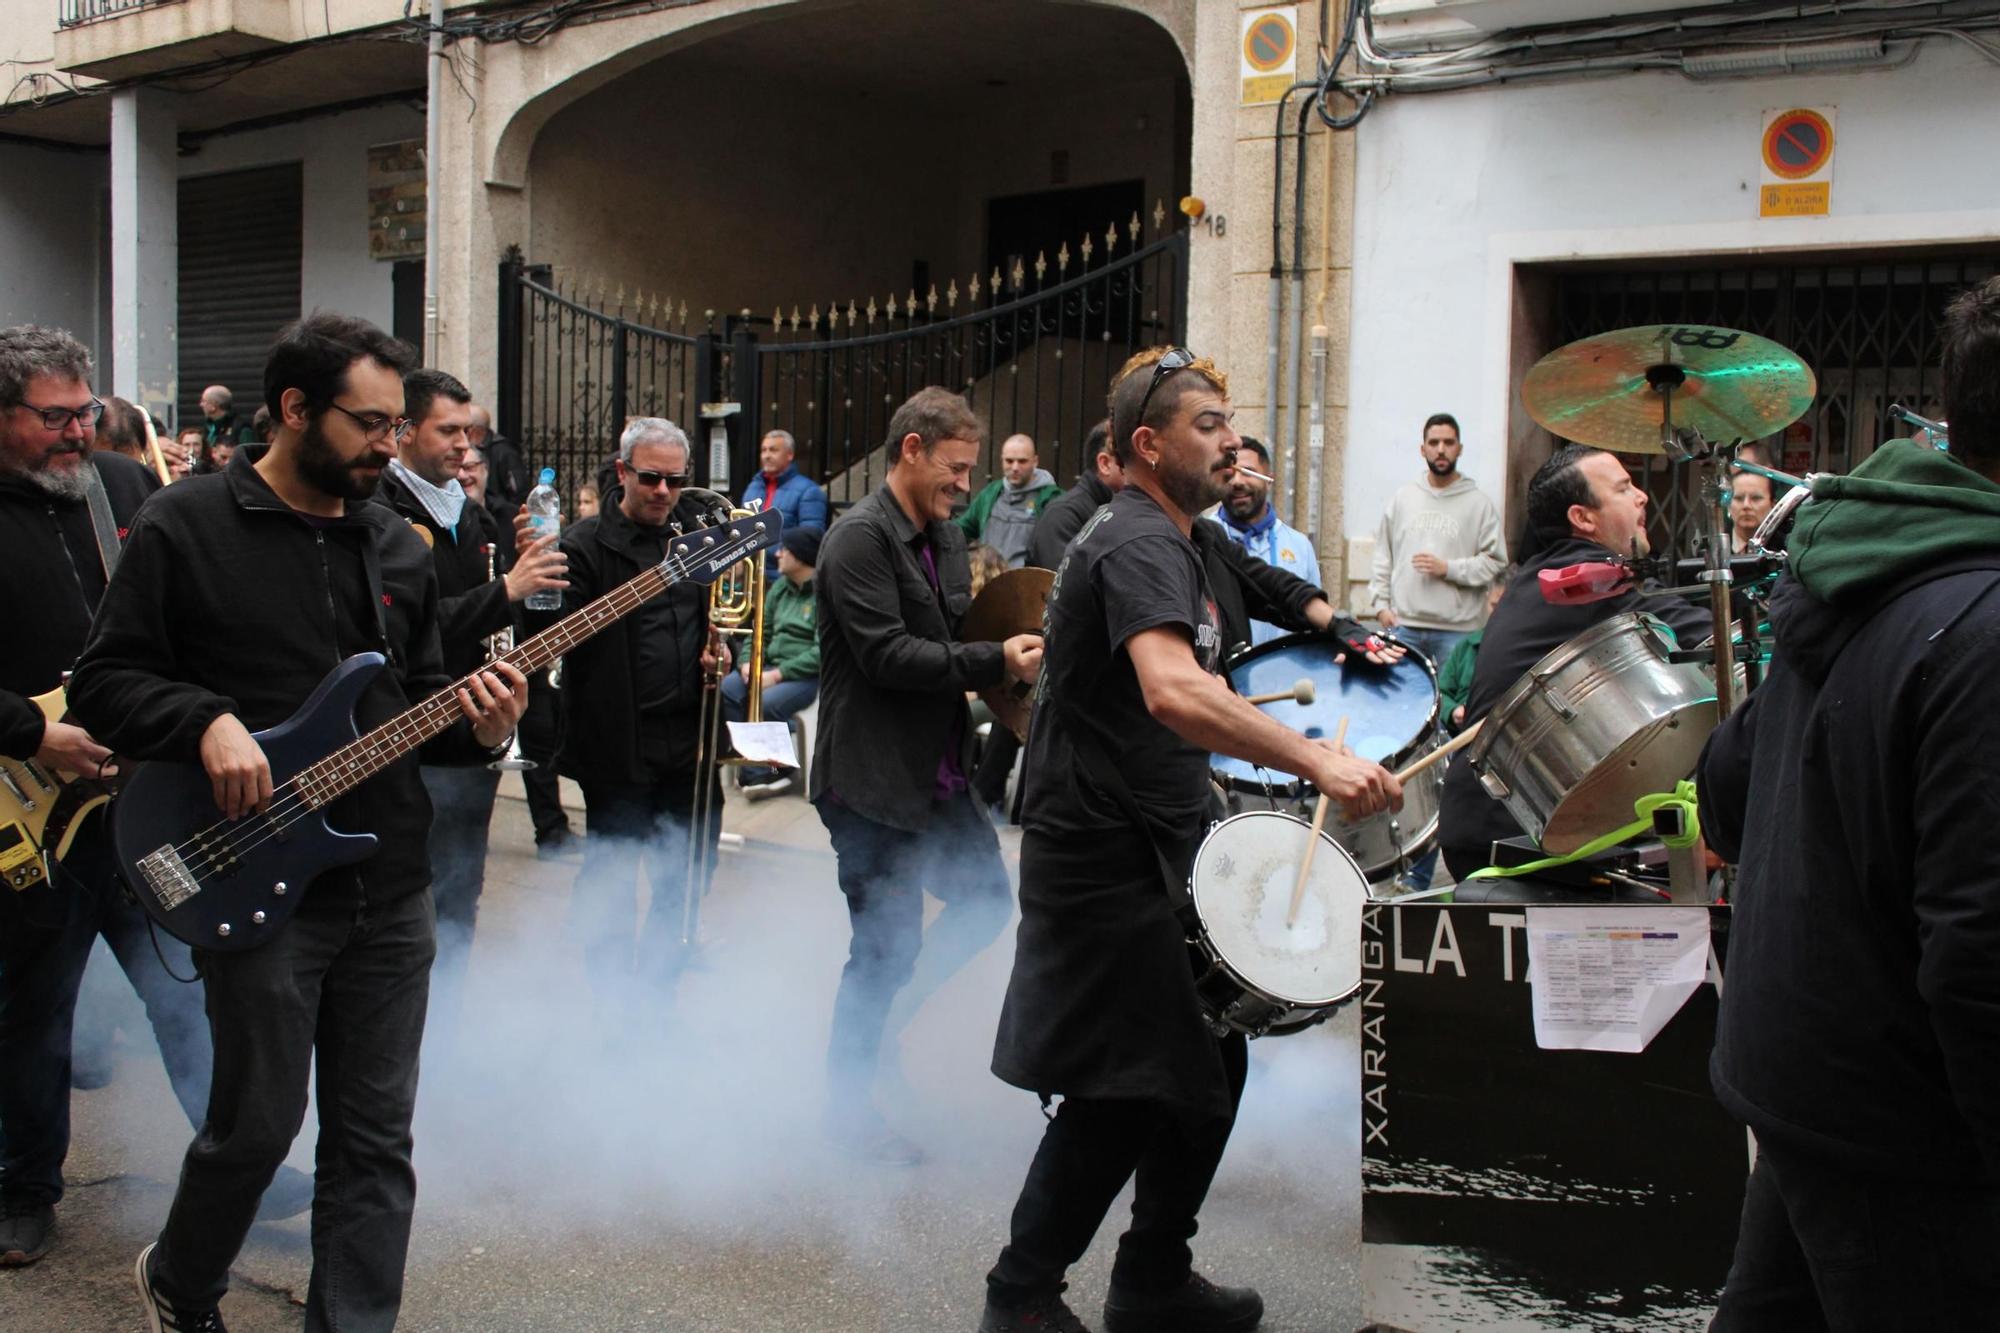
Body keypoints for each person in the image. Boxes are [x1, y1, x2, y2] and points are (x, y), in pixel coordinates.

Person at [67, 312, 527, 1332]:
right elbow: (104, 681)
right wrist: (204, 720)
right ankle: (183, 1279)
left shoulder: (396, 547)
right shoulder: (187, 524)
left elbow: (414, 707)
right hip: (252, 874)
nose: (388, 446)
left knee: (375, 1141)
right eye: (369, 423)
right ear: (292, 409)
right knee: (257, 1128)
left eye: (397, 424)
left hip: (389, 883)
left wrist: (484, 729)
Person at [980, 347, 1399, 1333]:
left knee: (1212, 1058)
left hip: (1159, 838)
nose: (1229, 440)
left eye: (1229, 423)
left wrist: (1335, 652)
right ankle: (1019, 1296)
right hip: (1100, 850)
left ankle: (1153, 1276)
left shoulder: (1187, 536)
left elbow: (1240, 624)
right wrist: (1316, 760)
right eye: (1206, 425)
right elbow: (1173, 690)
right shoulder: (1133, 538)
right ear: (1146, 444)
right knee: (1126, 1084)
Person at [1696, 278, 2000, 1330]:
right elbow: (1980, 955)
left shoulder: (1861, 563)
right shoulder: (1980, 615)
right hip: (1906, 1126)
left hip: (1804, 1079)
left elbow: (1725, 791)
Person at [0, 325, 310, 1272]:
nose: (77, 432)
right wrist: (31, 733)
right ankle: (22, 1188)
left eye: (85, 411)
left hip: (142, 800)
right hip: (27, 805)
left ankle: (237, 1165)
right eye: (54, 417)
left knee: (189, 983)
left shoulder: (125, 489)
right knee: (31, 1006)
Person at [812, 387, 1043, 1165]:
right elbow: (887, 656)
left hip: (936, 774)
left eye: (973, 471)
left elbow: (956, 631)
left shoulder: (943, 535)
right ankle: (847, 1111)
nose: (967, 486)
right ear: (911, 449)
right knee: (882, 949)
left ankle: (885, 1031)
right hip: (868, 780)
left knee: (986, 904)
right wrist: (993, 660)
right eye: (956, 468)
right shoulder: (857, 539)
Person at [376, 368, 567, 1047]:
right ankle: (398, 1043)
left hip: (473, 731)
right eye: (449, 431)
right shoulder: (382, 510)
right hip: (410, 737)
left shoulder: (467, 508)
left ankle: (443, 1039)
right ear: (404, 431)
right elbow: (409, 632)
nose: (466, 446)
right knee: (409, 902)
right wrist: (506, 589)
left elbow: (497, 615)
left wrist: (526, 576)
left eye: (470, 432)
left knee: (461, 892)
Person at [1436, 445, 1712, 881]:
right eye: (1623, 488)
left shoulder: (1542, 575)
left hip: (1487, 822)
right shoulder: (1584, 582)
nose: (1642, 496)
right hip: (1521, 831)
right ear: (1583, 518)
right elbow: (1712, 636)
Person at [537, 417, 727, 1012]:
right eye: (650, 477)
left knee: (687, 876)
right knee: (612, 881)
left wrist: (722, 650)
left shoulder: (695, 534)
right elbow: (549, 632)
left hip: (689, 741)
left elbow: (718, 617)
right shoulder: (583, 545)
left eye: (675, 479)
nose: (664, 491)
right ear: (622, 471)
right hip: (619, 743)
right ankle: (615, 1009)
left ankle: (657, 999)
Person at [460, 445, 574, 855]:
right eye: (461, 467)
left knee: (538, 740)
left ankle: (552, 830)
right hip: (473, 659)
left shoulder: (511, 517)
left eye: (473, 466)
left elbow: (540, 586)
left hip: (523, 648)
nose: (466, 474)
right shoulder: (451, 521)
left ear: (486, 469)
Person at [1366, 412, 1508, 665]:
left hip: (1459, 630)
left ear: (1460, 448)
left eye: (1448, 443)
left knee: (1454, 691)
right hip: (1404, 625)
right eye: (1433, 443)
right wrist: (1381, 605)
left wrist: (1448, 569)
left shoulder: (1479, 504)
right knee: (1402, 691)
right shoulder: (1403, 499)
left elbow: (1495, 562)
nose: (1441, 450)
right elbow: (1382, 557)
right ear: (1423, 449)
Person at [722, 525, 821, 798]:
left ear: (801, 555)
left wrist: (777, 675)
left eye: (785, 549)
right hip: (769, 667)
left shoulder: (825, 594)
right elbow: (760, 632)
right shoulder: (780, 589)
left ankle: (775, 771)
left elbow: (821, 652)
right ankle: (752, 767)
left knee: (766, 702)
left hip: (806, 677)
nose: (778, 554)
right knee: (730, 689)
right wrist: (746, 662)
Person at [1210, 435, 1318, 645]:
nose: (1238, 482)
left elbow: (1312, 621)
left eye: (1248, 472)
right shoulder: (1204, 541)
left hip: (1284, 664)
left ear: (1269, 479)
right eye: (1230, 473)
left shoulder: (1299, 545)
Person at [1027, 420, 1121, 570]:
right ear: (1105, 464)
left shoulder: (1118, 509)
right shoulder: (1062, 515)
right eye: (1128, 459)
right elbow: (1062, 579)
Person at [958, 433, 1061, 568]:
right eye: (1009, 461)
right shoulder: (991, 493)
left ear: (1035, 461)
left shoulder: (1051, 498)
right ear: (1002, 460)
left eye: (1022, 461)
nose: (1015, 468)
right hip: (986, 577)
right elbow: (961, 529)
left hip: (1025, 579)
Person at [741, 429, 830, 573]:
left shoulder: (809, 490)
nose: (766, 456)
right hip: (751, 573)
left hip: (783, 575)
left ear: (790, 455)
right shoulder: (753, 487)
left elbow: (810, 539)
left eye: (773, 450)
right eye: (763, 450)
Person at [1437, 573, 1513, 733]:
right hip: (1462, 733)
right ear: (1486, 599)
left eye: (1505, 607)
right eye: (1493, 606)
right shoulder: (1466, 646)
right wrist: (1453, 711)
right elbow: (1441, 694)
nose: (1497, 614)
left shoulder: (1523, 650)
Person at [465, 403, 529, 505]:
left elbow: (518, 490)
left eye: (463, 429)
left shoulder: (505, 451)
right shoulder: (468, 448)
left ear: (472, 430)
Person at [1728, 469, 1775, 553]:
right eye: (1739, 498)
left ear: (1773, 505)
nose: (1746, 505)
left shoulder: (1786, 548)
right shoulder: (1710, 547)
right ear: (1728, 505)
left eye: (1756, 498)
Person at [198, 384, 253, 449]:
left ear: (213, 405)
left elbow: (248, 452)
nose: (201, 404)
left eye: (204, 401)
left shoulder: (241, 428)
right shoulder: (209, 426)